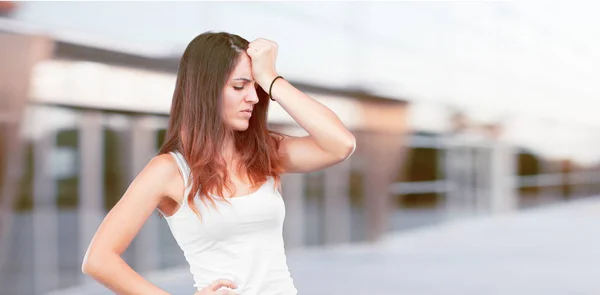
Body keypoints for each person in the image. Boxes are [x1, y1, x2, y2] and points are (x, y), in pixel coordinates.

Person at [81, 31, 356, 295]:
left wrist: (271, 78)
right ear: (205, 89)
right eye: (239, 86)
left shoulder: (265, 151)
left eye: (256, 86)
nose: (254, 97)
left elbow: (340, 144)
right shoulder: (169, 170)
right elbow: (98, 260)